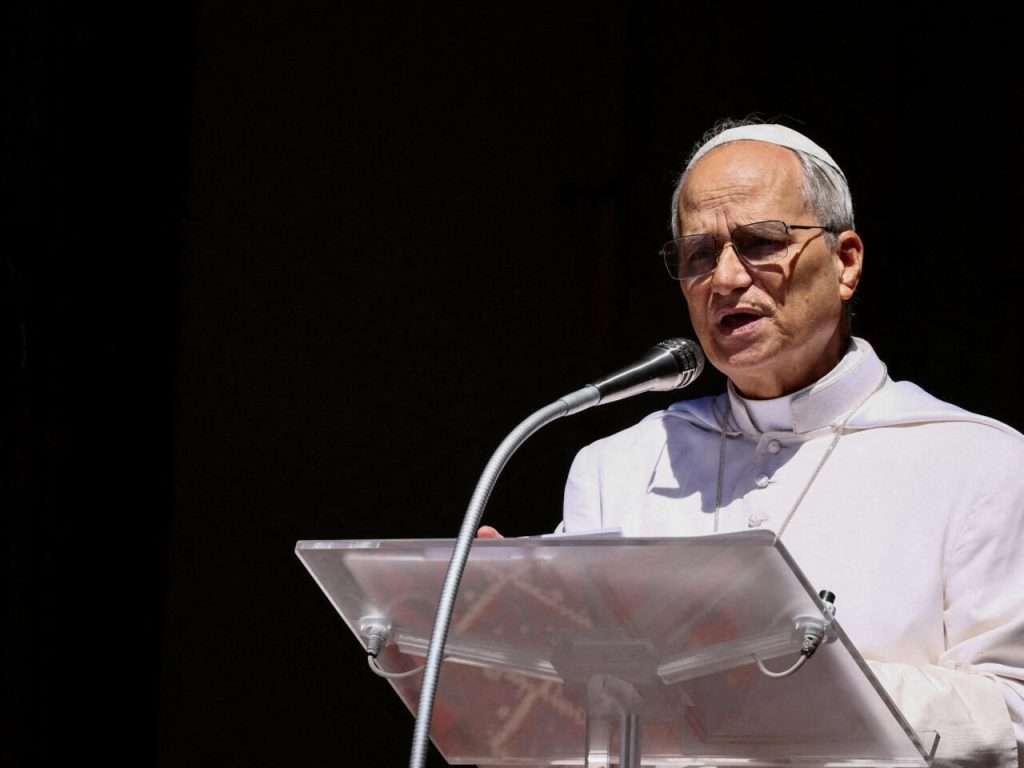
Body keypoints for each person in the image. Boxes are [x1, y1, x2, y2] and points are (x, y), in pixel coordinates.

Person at [547, 121, 1023, 767]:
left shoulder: (979, 463)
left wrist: (808, 688)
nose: (725, 278)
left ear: (846, 262)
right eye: (698, 254)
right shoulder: (617, 469)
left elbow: (1014, 714)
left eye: (760, 243)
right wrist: (508, 631)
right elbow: (572, 722)